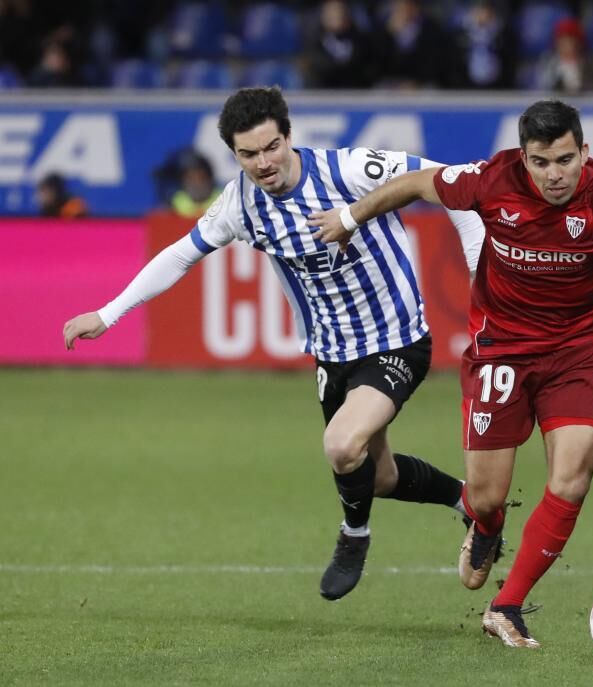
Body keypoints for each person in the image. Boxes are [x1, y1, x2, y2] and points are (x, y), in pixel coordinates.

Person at [63, 86, 486, 601]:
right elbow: (179, 255)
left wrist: (479, 272)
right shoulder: (239, 204)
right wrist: (108, 314)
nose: (263, 163)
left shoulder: (350, 170)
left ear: (289, 137)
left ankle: (354, 536)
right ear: (234, 155)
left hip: (398, 341)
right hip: (332, 353)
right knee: (378, 475)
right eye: (248, 154)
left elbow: (456, 185)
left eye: (271, 147)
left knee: (340, 445)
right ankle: (473, 507)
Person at [308, 99, 593, 647]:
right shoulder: (491, 178)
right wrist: (348, 218)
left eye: (564, 160)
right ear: (524, 158)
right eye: (541, 162)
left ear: (584, 152)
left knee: (573, 478)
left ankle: (506, 606)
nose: (554, 175)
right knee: (486, 496)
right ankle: (485, 526)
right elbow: (416, 182)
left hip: (576, 354)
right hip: (500, 354)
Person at [170, 151, 221, 217]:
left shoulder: (224, 201)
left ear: (210, 179)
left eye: (201, 178)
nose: (197, 184)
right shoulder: (172, 206)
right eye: (191, 178)